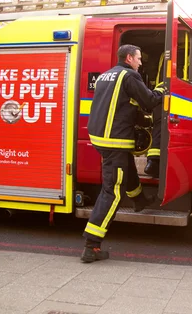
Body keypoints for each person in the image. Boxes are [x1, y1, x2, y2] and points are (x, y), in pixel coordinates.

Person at [81, 44, 165, 263]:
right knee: (113, 191)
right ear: (129, 58)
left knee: (126, 167)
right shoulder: (130, 76)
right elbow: (149, 101)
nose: (140, 63)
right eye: (138, 59)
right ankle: (92, 245)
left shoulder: (105, 76)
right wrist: (163, 90)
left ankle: (139, 200)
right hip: (114, 141)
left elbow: (117, 106)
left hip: (101, 137)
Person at [144, 52, 164, 177]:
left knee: (158, 128)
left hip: (158, 93)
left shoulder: (162, 54)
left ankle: (152, 162)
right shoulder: (185, 53)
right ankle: (154, 163)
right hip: (165, 94)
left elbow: (152, 71)